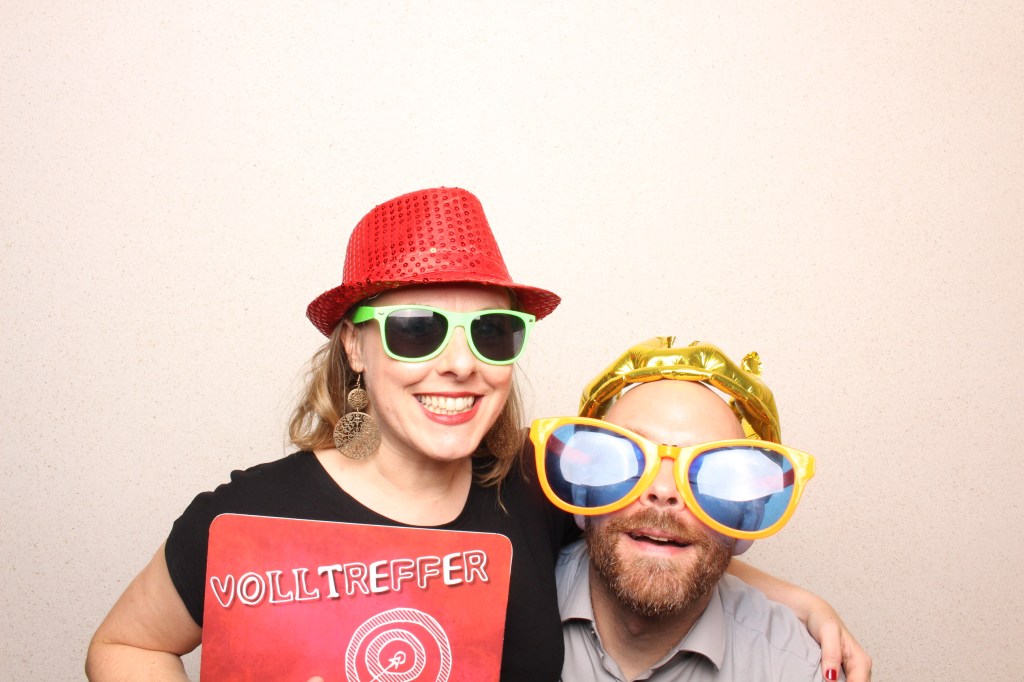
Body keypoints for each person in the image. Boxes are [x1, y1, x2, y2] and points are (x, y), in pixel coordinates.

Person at [86, 188, 869, 681]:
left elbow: (655, 524)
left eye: (491, 332)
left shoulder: (531, 488)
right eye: (417, 329)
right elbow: (123, 646)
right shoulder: (248, 518)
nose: (460, 364)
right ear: (354, 345)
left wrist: (798, 601)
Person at [531, 337, 855, 681]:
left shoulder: (798, 669)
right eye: (623, 460)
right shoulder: (509, 594)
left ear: (747, 518)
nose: (663, 491)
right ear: (582, 493)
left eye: (714, 476)